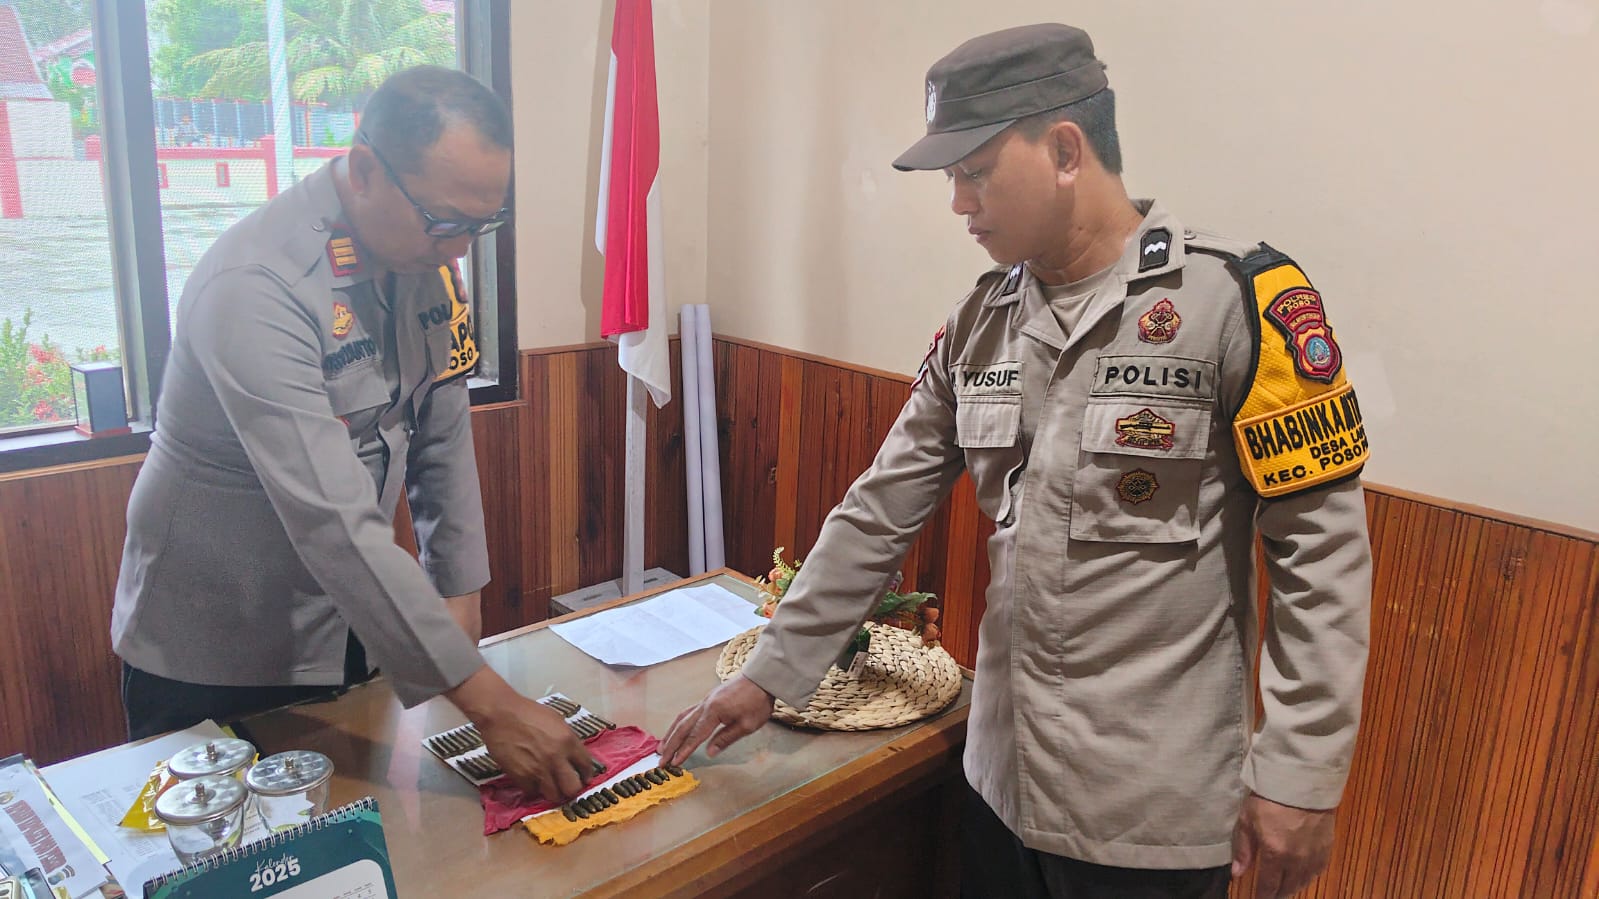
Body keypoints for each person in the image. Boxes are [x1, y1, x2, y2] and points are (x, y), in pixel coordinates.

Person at [662, 23, 1372, 899]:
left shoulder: (1235, 303)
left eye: (972, 171)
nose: (958, 203)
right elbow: (880, 505)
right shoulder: (980, 320)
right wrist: (772, 673)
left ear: (1065, 149)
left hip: (1148, 816)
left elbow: (1321, 557)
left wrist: (1297, 774)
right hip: (998, 783)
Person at [112, 66, 599, 802]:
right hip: (215, 646)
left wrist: (459, 593)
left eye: (480, 225)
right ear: (364, 169)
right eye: (446, 223)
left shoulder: (424, 259)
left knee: (365, 849)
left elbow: (441, 437)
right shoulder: (256, 285)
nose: (461, 249)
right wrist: (490, 702)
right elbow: (330, 516)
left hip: (348, 622)